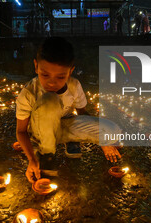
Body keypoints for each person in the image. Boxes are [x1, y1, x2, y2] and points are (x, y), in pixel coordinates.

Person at [16, 37, 122, 183]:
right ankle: (46, 155)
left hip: (64, 127)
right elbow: (21, 131)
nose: (52, 82)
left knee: (112, 130)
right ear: (36, 66)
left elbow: (82, 114)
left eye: (60, 76)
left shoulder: (74, 86)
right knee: (50, 100)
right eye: (45, 74)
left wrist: (102, 139)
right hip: (40, 133)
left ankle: (71, 140)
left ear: (71, 71)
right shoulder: (29, 93)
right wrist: (32, 159)